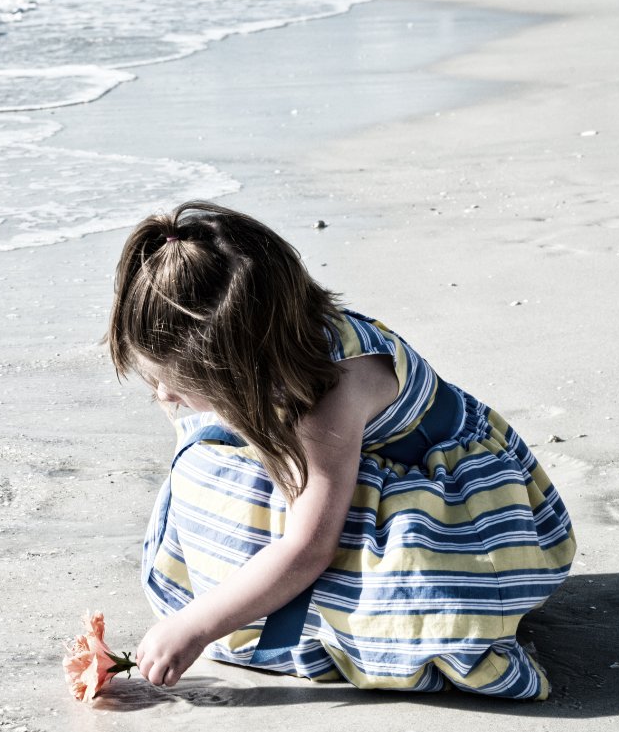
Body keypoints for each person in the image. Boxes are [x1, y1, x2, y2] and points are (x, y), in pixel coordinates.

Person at [108, 200, 576, 700]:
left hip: (441, 496)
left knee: (405, 594)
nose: (163, 396)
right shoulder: (280, 336)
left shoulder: (329, 393)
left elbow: (310, 547)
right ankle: (268, 605)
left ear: (242, 366)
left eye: (173, 382)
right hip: (334, 468)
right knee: (205, 465)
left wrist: (197, 625)